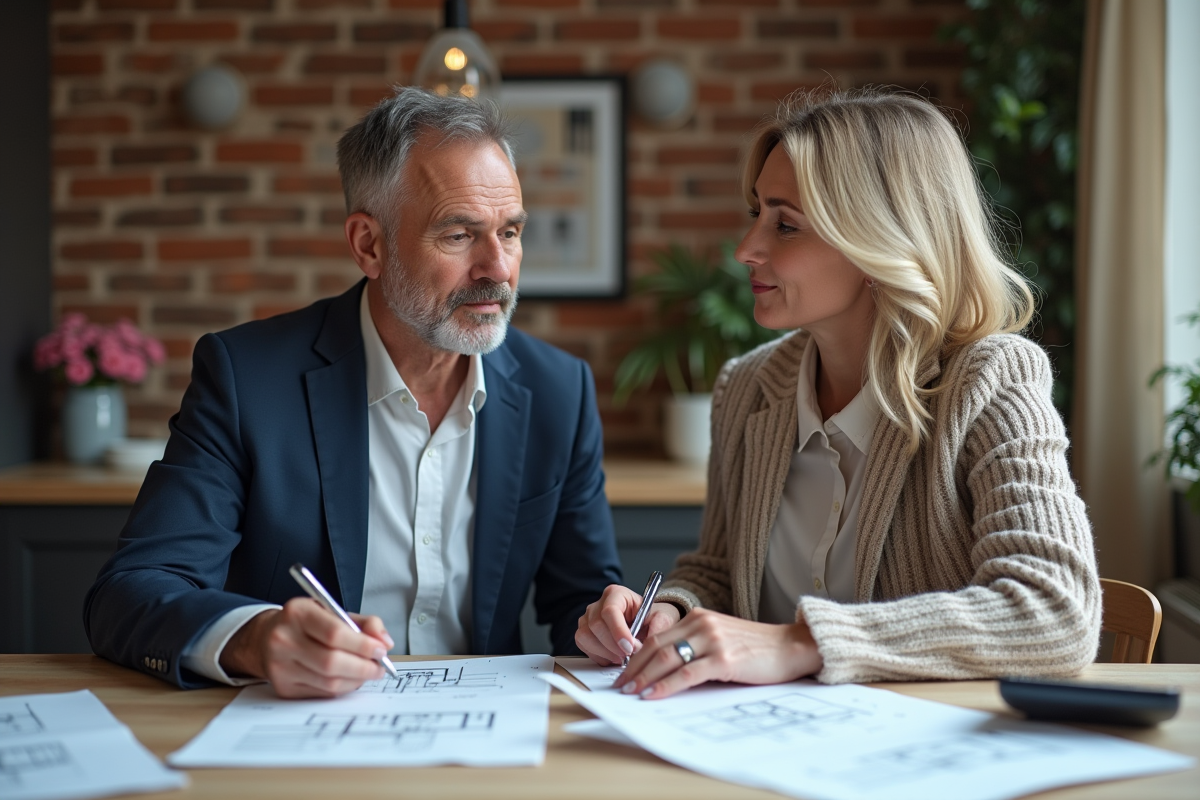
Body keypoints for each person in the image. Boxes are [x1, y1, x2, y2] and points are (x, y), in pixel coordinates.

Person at [85, 88, 621, 697]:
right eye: (458, 235)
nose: (498, 268)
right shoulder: (247, 379)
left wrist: (614, 623)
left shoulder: (558, 390)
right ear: (369, 244)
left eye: (511, 231)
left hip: (493, 725)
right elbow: (131, 591)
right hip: (300, 723)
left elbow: (583, 601)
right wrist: (255, 639)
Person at [577, 88, 1101, 698]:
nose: (746, 249)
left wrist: (799, 643)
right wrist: (669, 613)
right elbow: (718, 572)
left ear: (881, 240)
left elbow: (1055, 611)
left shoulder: (991, 381)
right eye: (757, 214)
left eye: (786, 225)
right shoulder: (746, 388)